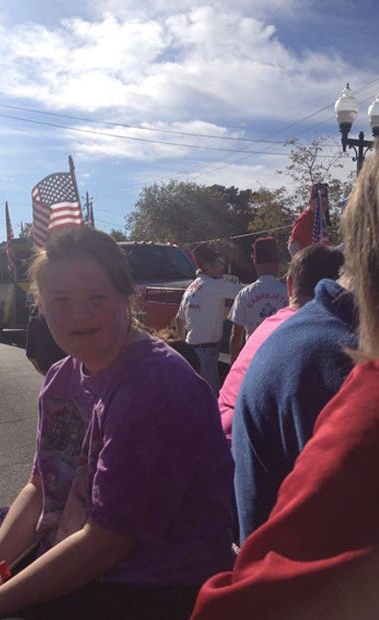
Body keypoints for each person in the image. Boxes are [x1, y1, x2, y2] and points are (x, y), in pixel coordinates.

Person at [0, 227, 234, 620]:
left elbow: (105, 544)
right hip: (69, 539)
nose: (80, 314)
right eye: (61, 300)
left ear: (126, 297)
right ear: (41, 305)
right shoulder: (61, 377)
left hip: (156, 583)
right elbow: (39, 485)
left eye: (98, 297)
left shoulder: (155, 387)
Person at [191, 142, 379, 620]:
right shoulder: (333, 365)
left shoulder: (267, 314)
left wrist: (231, 371)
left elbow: (237, 337)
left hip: (229, 408)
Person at [229, 253, 355, 543]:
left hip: (235, 472)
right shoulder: (336, 355)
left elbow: (236, 336)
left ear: (289, 284)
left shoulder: (273, 330)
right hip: (255, 488)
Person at [217, 244, 345, 443]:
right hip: (248, 445)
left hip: (223, 435)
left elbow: (236, 336)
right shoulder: (326, 338)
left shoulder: (268, 325)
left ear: (290, 284)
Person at [175, 243, 244, 393]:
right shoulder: (214, 285)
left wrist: (181, 345)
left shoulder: (192, 287)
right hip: (206, 353)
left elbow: (179, 319)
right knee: (211, 398)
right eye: (219, 264)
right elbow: (246, 292)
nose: (222, 268)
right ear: (208, 266)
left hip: (193, 351)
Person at [227, 236, 288, 362]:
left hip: (254, 360)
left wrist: (234, 366)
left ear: (255, 264)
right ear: (277, 264)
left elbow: (236, 337)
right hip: (282, 358)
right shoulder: (289, 292)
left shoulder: (244, 294)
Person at [287, 182, 330, 257]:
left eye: (324, 203)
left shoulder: (321, 219)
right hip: (308, 263)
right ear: (311, 202)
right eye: (319, 201)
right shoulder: (305, 218)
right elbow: (292, 245)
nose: (322, 205)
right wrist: (302, 264)